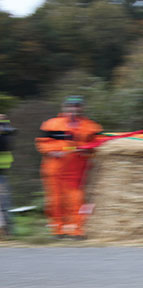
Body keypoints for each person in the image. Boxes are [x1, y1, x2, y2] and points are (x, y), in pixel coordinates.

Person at [35, 96, 102, 238]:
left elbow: (97, 144)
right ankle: (58, 230)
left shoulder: (91, 126)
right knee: (55, 200)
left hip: (77, 170)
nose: (73, 109)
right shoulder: (51, 124)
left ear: (82, 108)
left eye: (77, 106)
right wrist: (52, 152)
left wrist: (88, 150)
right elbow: (42, 142)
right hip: (54, 169)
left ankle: (76, 230)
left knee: (76, 199)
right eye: (70, 106)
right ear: (64, 108)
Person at [0, 114, 14, 238]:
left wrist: (3, 124)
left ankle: (7, 231)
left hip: (2, 171)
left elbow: (7, 144)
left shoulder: (5, 131)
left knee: (4, 202)